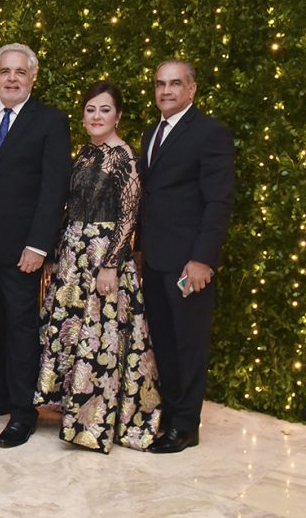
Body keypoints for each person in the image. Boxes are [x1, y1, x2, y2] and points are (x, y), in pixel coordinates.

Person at [34, 81, 161, 453]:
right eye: (90, 109)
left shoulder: (124, 157)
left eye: (104, 109)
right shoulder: (86, 153)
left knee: (99, 336)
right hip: (74, 255)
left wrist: (110, 265)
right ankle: (73, 409)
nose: (96, 116)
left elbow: (128, 216)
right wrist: (57, 251)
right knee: (74, 331)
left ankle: (96, 422)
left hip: (104, 256)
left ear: (117, 115)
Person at [0, 43, 71, 448]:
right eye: (5, 71)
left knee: (20, 328)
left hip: (21, 250)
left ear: (33, 77)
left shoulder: (51, 121)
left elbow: (54, 188)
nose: (12, 78)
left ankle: (23, 413)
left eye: (20, 72)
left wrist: (38, 245)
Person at [138, 60, 235, 454]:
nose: (166, 91)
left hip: (188, 263)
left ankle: (186, 426)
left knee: (188, 345)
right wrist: (140, 250)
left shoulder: (210, 133)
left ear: (192, 89)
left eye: (175, 84)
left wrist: (202, 259)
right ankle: (171, 415)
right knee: (164, 342)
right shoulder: (151, 132)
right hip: (155, 260)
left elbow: (218, 201)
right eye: (160, 84)